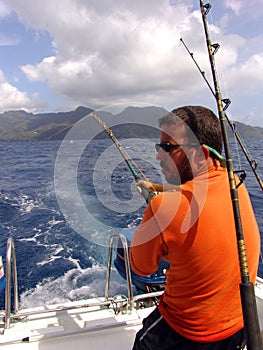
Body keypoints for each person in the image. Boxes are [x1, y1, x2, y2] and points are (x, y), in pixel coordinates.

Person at [130, 106, 260, 350]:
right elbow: (197, 192)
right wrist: (156, 187)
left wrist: (154, 211)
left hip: (183, 335)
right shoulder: (235, 185)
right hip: (237, 332)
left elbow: (141, 267)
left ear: (200, 155)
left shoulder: (163, 208)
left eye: (168, 147)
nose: (159, 156)